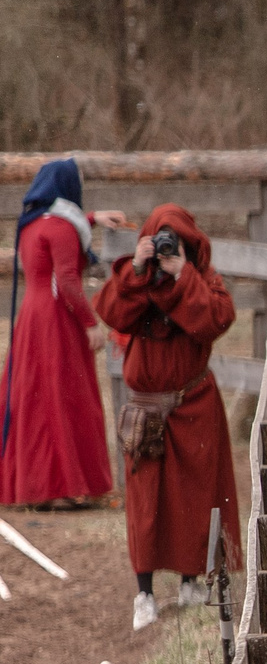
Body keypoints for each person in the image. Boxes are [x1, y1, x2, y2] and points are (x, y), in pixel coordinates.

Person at [97, 206, 239, 630]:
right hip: (145, 409)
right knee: (145, 503)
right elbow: (111, 312)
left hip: (193, 404)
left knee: (194, 497)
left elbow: (214, 321)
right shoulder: (137, 278)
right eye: (158, 242)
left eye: (172, 244)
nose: (164, 250)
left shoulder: (202, 280)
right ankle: (144, 594)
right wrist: (139, 269)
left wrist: (182, 275)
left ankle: (191, 581)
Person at [0, 160, 118, 508]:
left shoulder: (33, 223)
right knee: (62, 395)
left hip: (31, 317)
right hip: (55, 319)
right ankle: (63, 486)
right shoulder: (63, 229)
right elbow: (67, 282)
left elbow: (59, 236)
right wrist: (91, 322)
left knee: (34, 397)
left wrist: (94, 218)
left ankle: (38, 484)